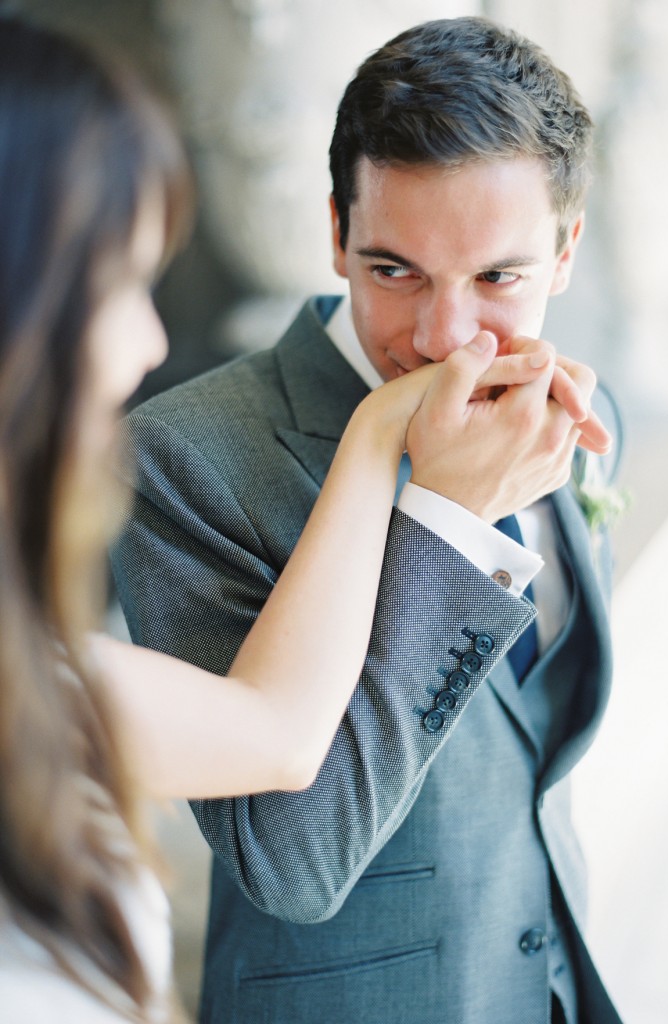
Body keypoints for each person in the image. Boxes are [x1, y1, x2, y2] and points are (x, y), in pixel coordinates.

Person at [0, 15, 567, 1023]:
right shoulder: (185, 454)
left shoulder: (574, 418)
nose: (447, 336)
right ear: (336, 234)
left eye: (496, 277)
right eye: (395, 268)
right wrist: (438, 514)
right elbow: (292, 853)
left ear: (564, 253)